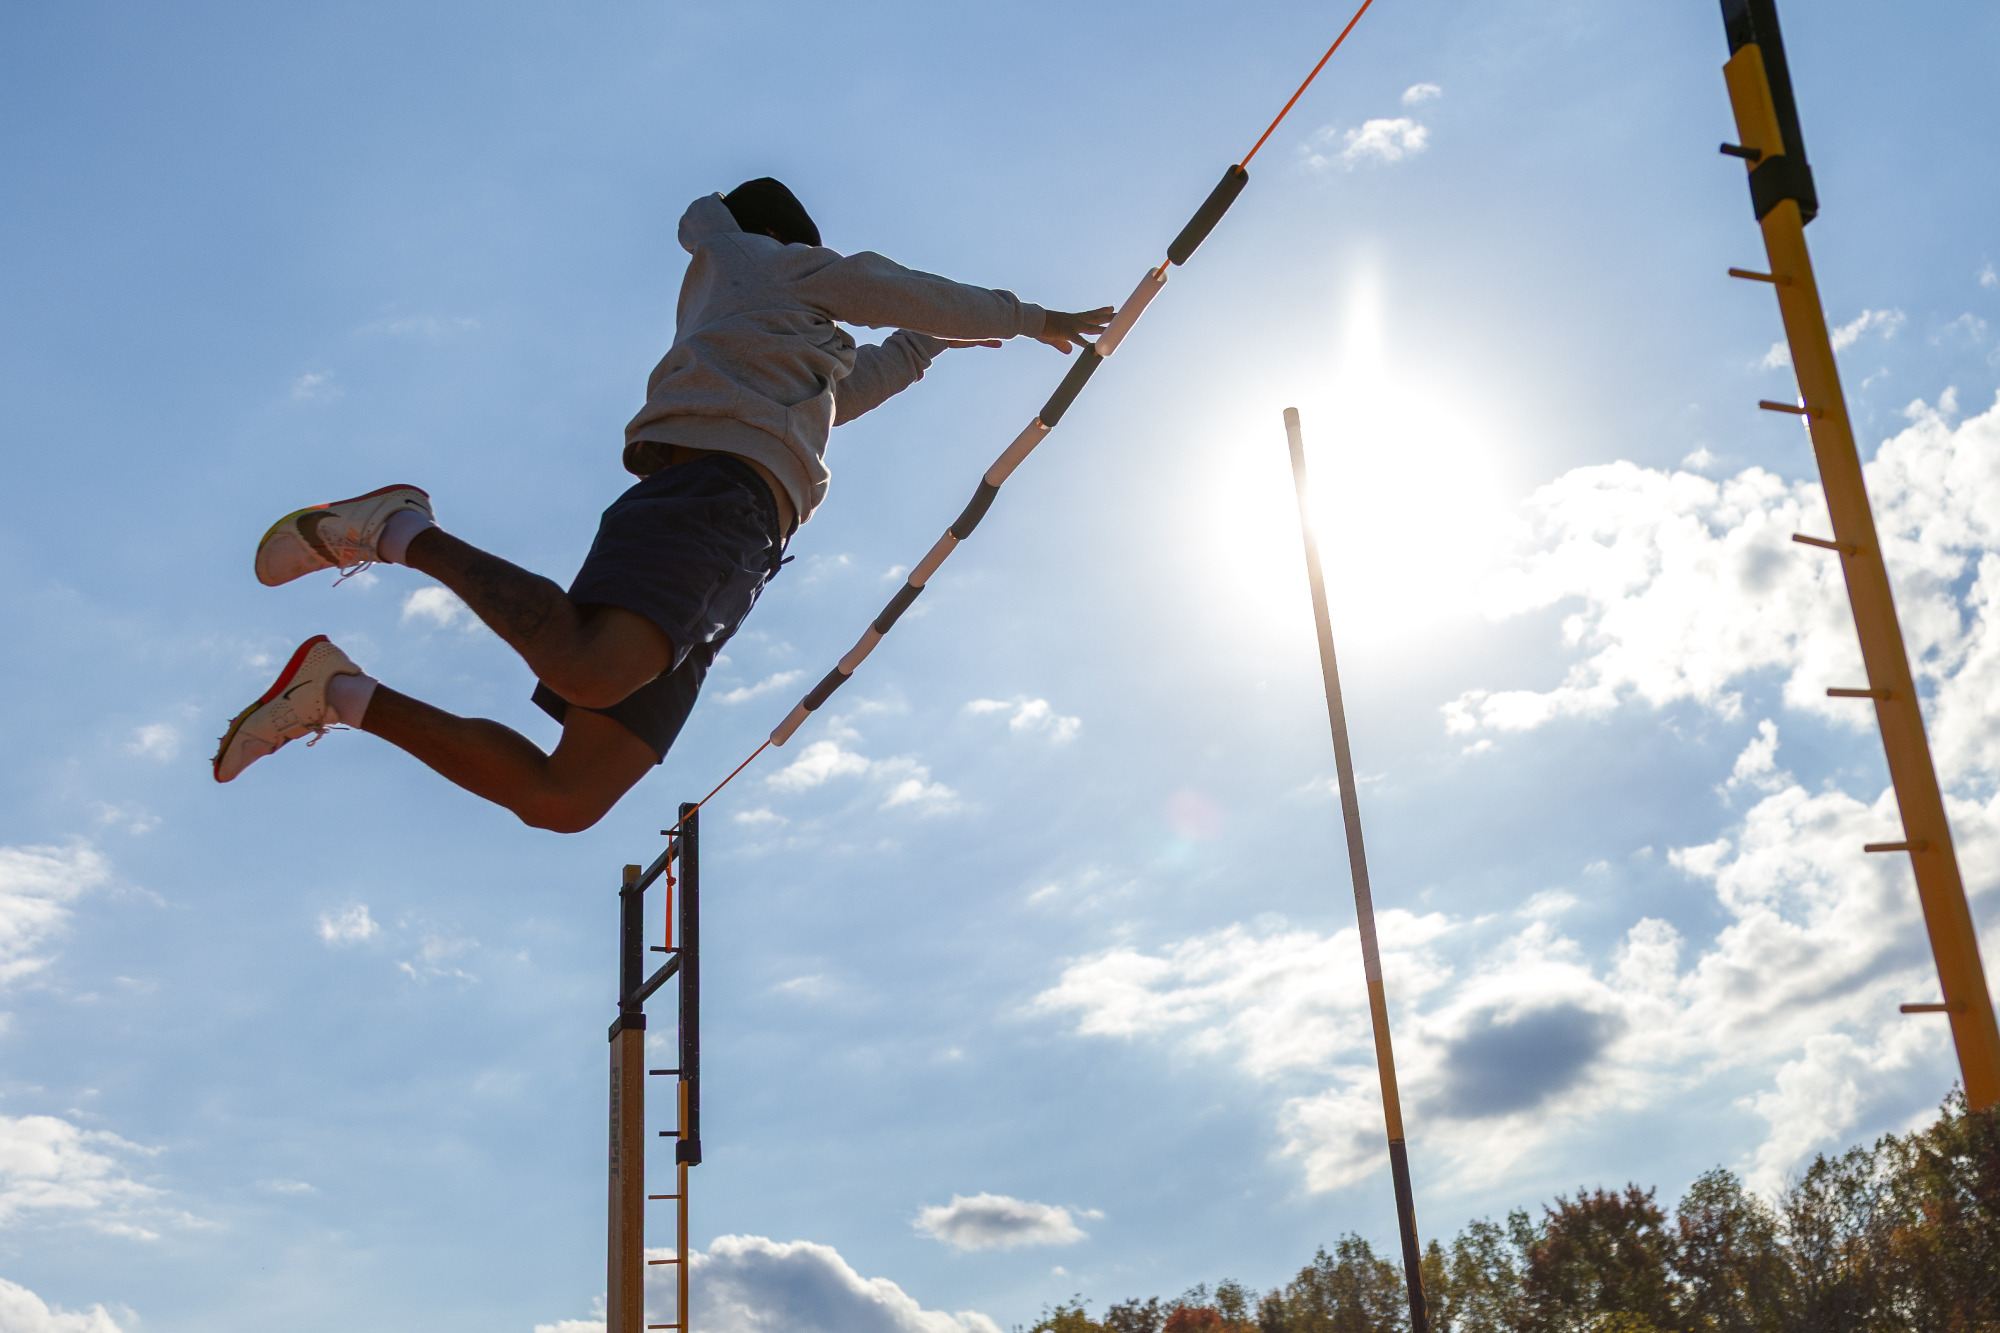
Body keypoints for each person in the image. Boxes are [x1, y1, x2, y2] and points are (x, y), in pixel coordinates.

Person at [213, 178, 1111, 832]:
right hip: (714, 500)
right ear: (789, 247)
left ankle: (336, 690)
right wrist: (1029, 316)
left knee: (564, 798)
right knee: (590, 670)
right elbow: (890, 287)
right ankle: (396, 526)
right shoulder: (777, 270)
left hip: (739, 542)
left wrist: (947, 338)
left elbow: (879, 364)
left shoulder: (779, 349)